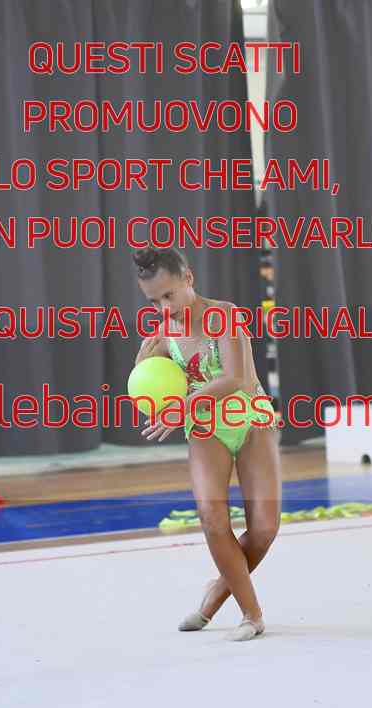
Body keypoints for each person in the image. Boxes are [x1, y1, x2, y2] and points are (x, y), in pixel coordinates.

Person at [133, 245, 282, 642]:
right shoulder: (164, 334)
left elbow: (237, 379)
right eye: (154, 301)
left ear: (189, 279)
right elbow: (148, 385)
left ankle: (214, 595)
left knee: (264, 528)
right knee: (212, 518)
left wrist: (180, 406)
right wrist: (142, 365)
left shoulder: (224, 315)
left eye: (169, 295)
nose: (164, 307)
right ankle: (252, 614)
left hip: (250, 418)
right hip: (204, 427)